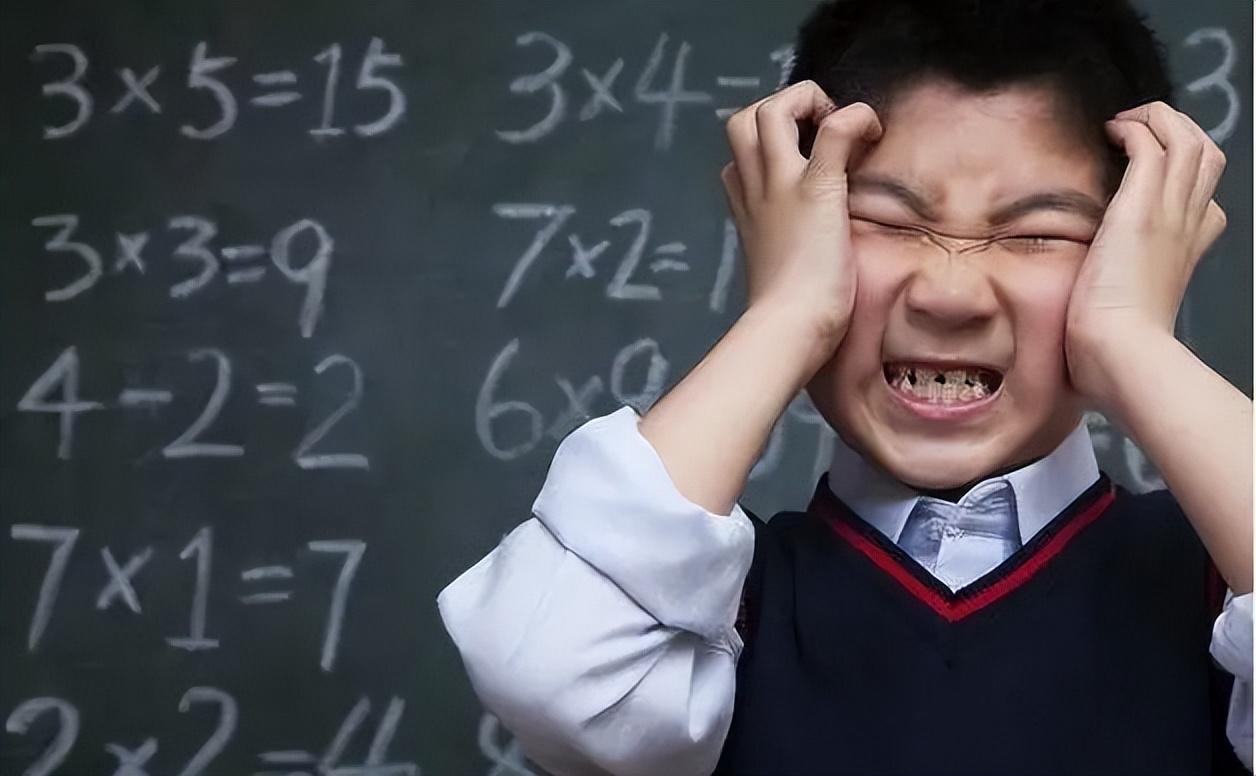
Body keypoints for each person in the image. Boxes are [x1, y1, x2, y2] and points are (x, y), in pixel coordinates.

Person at [438, 0, 1254, 773]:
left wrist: (1132, 336)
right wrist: (789, 309)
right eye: (886, 221)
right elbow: (547, 674)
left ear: (1139, 249)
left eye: (1039, 233)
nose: (949, 294)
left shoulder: (1218, 587)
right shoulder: (708, 619)